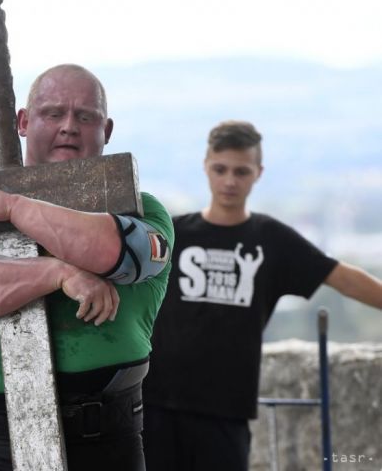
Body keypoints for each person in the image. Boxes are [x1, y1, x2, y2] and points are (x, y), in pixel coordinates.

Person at [0, 64, 175, 471]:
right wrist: (60, 273)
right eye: (52, 114)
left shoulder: (143, 208)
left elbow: (121, 252)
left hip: (105, 441)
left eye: (84, 116)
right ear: (23, 122)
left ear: (106, 131)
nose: (69, 127)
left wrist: (15, 207)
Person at [142, 120, 382, 470]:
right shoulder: (175, 233)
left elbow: (343, 278)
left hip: (225, 411)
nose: (229, 181)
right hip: (156, 405)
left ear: (258, 173)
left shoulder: (271, 239)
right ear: (206, 167)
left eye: (241, 171)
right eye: (220, 169)